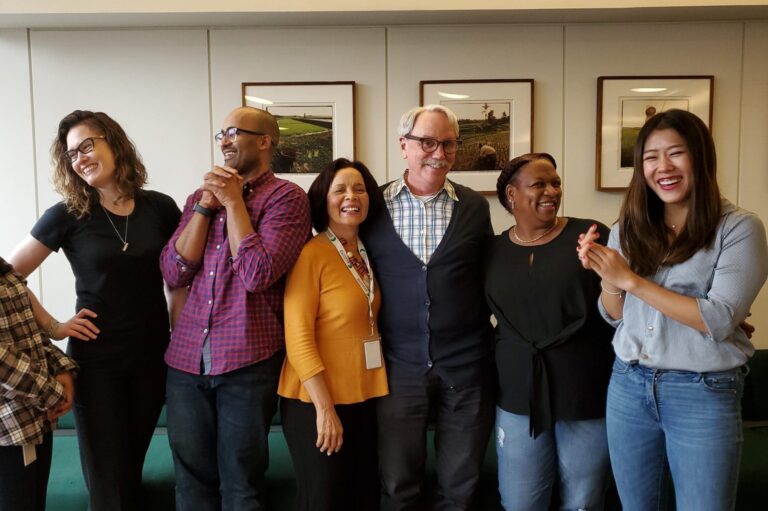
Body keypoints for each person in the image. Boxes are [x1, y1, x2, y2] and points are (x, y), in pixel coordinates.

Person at [578, 109, 768, 511]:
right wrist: (609, 276)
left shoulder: (739, 229)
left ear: (700, 157)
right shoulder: (630, 226)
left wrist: (631, 280)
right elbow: (614, 314)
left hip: (702, 391)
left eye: (676, 153)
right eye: (650, 156)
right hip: (628, 384)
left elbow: (718, 318)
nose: (663, 166)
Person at [9, 110, 182, 511]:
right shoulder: (68, 213)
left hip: (152, 359)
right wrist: (54, 325)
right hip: (98, 363)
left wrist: (180, 338)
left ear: (114, 142)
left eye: (88, 145)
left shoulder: (160, 208)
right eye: (71, 154)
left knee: (130, 473)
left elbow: (178, 278)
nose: (80, 157)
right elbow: (7, 276)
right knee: (107, 485)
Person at [160, 106, 311, 510]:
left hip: (246, 362)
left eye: (234, 132)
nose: (225, 141)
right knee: (190, 484)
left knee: (241, 485)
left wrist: (232, 203)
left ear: (264, 142)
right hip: (186, 361)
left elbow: (257, 273)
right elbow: (174, 270)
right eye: (220, 134)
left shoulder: (287, 198)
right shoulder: (198, 198)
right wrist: (207, 206)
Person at [362, 105, 495, 510]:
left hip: (467, 366)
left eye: (449, 143)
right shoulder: (371, 207)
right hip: (398, 367)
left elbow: (489, 275)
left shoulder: (474, 207)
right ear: (404, 146)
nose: (439, 152)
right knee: (399, 483)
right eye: (427, 142)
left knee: (460, 485)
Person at [486, 153, 615, 510]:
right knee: (520, 500)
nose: (551, 191)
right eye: (539, 184)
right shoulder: (492, 250)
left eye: (555, 183)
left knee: (584, 501)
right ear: (512, 194)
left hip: (584, 388)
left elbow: (627, 297)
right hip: (517, 391)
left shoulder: (590, 234)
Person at [277, 158, 388, 511]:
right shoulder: (312, 254)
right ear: (323, 199)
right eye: (339, 189)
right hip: (314, 400)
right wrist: (325, 410)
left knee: (361, 495)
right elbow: (297, 337)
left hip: (362, 396)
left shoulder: (367, 251)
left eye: (359, 188)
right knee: (323, 500)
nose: (350, 196)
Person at [0, 257, 85, 511]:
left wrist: (61, 368)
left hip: (33, 421)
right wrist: (52, 392)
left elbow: (29, 333)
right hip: (8, 429)